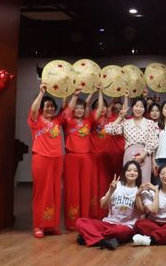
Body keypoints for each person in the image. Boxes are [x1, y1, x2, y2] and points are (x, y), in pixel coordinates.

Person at [75, 160, 146, 249]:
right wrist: (111, 191)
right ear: (124, 172)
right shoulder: (117, 186)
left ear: (139, 174)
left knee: (120, 231)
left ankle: (90, 236)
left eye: (135, 171)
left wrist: (138, 196)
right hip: (108, 223)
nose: (132, 173)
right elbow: (103, 206)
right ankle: (103, 241)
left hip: (125, 226)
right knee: (80, 222)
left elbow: (141, 212)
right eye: (129, 170)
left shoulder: (140, 189)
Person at [61, 87, 102, 230]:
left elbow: (98, 110)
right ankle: (72, 222)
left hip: (86, 158)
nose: (79, 110)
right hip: (71, 157)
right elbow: (66, 109)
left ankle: (85, 219)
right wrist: (74, 95)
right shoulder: (68, 120)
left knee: (86, 189)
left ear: (84, 110)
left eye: (81, 108)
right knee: (72, 189)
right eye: (76, 108)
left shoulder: (88, 121)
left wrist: (99, 93)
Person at [28, 83, 65, 238]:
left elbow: (67, 108)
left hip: (57, 159)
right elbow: (33, 109)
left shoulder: (57, 120)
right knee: (42, 192)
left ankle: (52, 225)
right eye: (47, 106)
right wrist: (41, 93)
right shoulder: (36, 121)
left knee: (55, 191)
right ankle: (39, 226)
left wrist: (72, 93)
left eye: (52, 106)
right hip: (41, 158)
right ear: (42, 108)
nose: (50, 109)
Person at [105, 96, 159, 184]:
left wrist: (143, 155)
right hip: (129, 155)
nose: (138, 109)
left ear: (145, 109)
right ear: (132, 107)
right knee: (129, 183)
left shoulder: (149, 123)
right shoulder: (126, 123)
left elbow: (153, 141)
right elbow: (109, 130)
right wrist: (120, 117)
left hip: (145, 155)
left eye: (141, 107)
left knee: (144, 183)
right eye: (136, 106)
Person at [91, 97, 126, 218]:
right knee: (96, 185)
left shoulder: (111, 120)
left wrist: (121, 95)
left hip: (109, 158)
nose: (102, 109)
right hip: (95, 156)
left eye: (104, 106)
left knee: (108, 184)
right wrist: (100, 93)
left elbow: (121, 112)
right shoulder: (93, 121)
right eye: (98, 107)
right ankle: (96, 213)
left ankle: (108, 212)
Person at [132, 164, 166, 246]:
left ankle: (151, 240)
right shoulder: (151, 190)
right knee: (139, 223)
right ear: (159, 176)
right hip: (154, 222)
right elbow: (154, 210)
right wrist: (156, 191)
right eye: (163, 174)